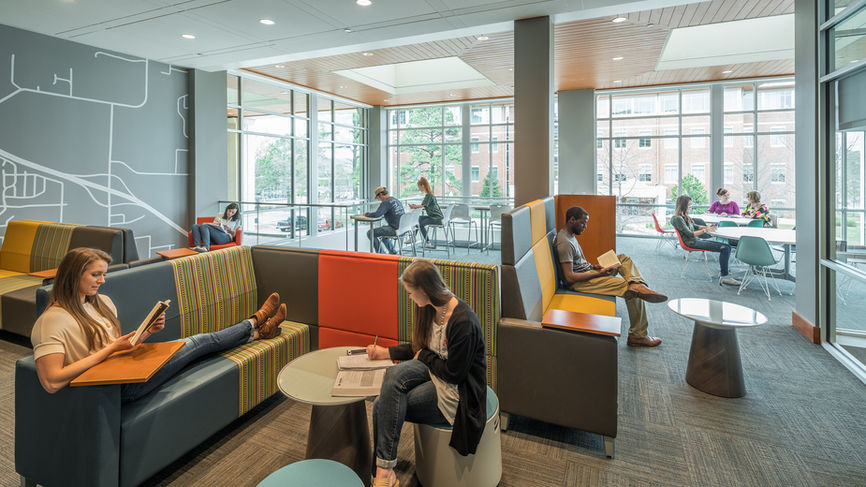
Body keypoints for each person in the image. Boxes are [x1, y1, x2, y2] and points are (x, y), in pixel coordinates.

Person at [31, 247, 286, 401]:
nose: (102, 281)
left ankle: (257, 332)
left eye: (104, 274)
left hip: (125, 368)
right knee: (200, 342)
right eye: (95, 275)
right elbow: (51, 381)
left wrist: (145, 334)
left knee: (201, 348)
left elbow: (120, 348)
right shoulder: (53, 320)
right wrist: (110, 350)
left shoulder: (101, 302)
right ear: (73, 275)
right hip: (116, 388)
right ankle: (255, 321)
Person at [365, 260, 486, 487]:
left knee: (383, 405)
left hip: (457, 393)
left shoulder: (462, 321)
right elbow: (420, 347)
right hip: (433, 372)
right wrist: (386, 353)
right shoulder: (429, 308)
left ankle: (382, 473)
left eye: (411, 293)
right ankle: (384, 471)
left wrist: (424, 357)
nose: (410, 297)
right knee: (392, 376)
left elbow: (453, 374)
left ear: (423, 289)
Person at [554, 206, 667, 347]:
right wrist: (599, 274)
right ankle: (638, 335)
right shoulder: (564, 243)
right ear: (572, 220)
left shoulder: (569, 235)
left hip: (589, 272)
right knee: (632, 291)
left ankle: (636, 282)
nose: (585, 227)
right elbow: (569, 278)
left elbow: (577, 263)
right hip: (580, 283)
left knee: (622, 259)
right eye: (583, 223)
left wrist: (593, 266)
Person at [672, 195, 742, 286]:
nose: (690, 207)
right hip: (691, 243)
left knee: (726, 247)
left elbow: (695, 226)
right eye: (689, 205)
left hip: (695, 241)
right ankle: (725, 276)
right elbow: (689, 233)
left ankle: (724, 274)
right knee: (725, 248)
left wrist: (707, 227)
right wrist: (706, 230)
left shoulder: (683, 217)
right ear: (683, 205)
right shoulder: (677, 219)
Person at [365, 186, 405, 254]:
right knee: (383, 229)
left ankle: (381, 254)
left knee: (370, 233)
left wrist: (366, 214)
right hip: (403, 228)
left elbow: (377, 214)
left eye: (377, 198)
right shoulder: (395, 200)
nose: (378, 200)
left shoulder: (386, 202)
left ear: (380, 194)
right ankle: (393, 252)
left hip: (395, 229)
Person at [408, 176, 443, 248]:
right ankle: (413, 238)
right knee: (418, 219)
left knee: (420, 224)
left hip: (436, 218)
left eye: (419, 186)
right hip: (435, 216)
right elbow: (425, 205)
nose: (419, 188)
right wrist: (416, 206)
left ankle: (428, 242)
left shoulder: (429, 195)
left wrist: (413, 207)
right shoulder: (430, 194)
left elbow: (422, 205)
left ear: (422, 185)